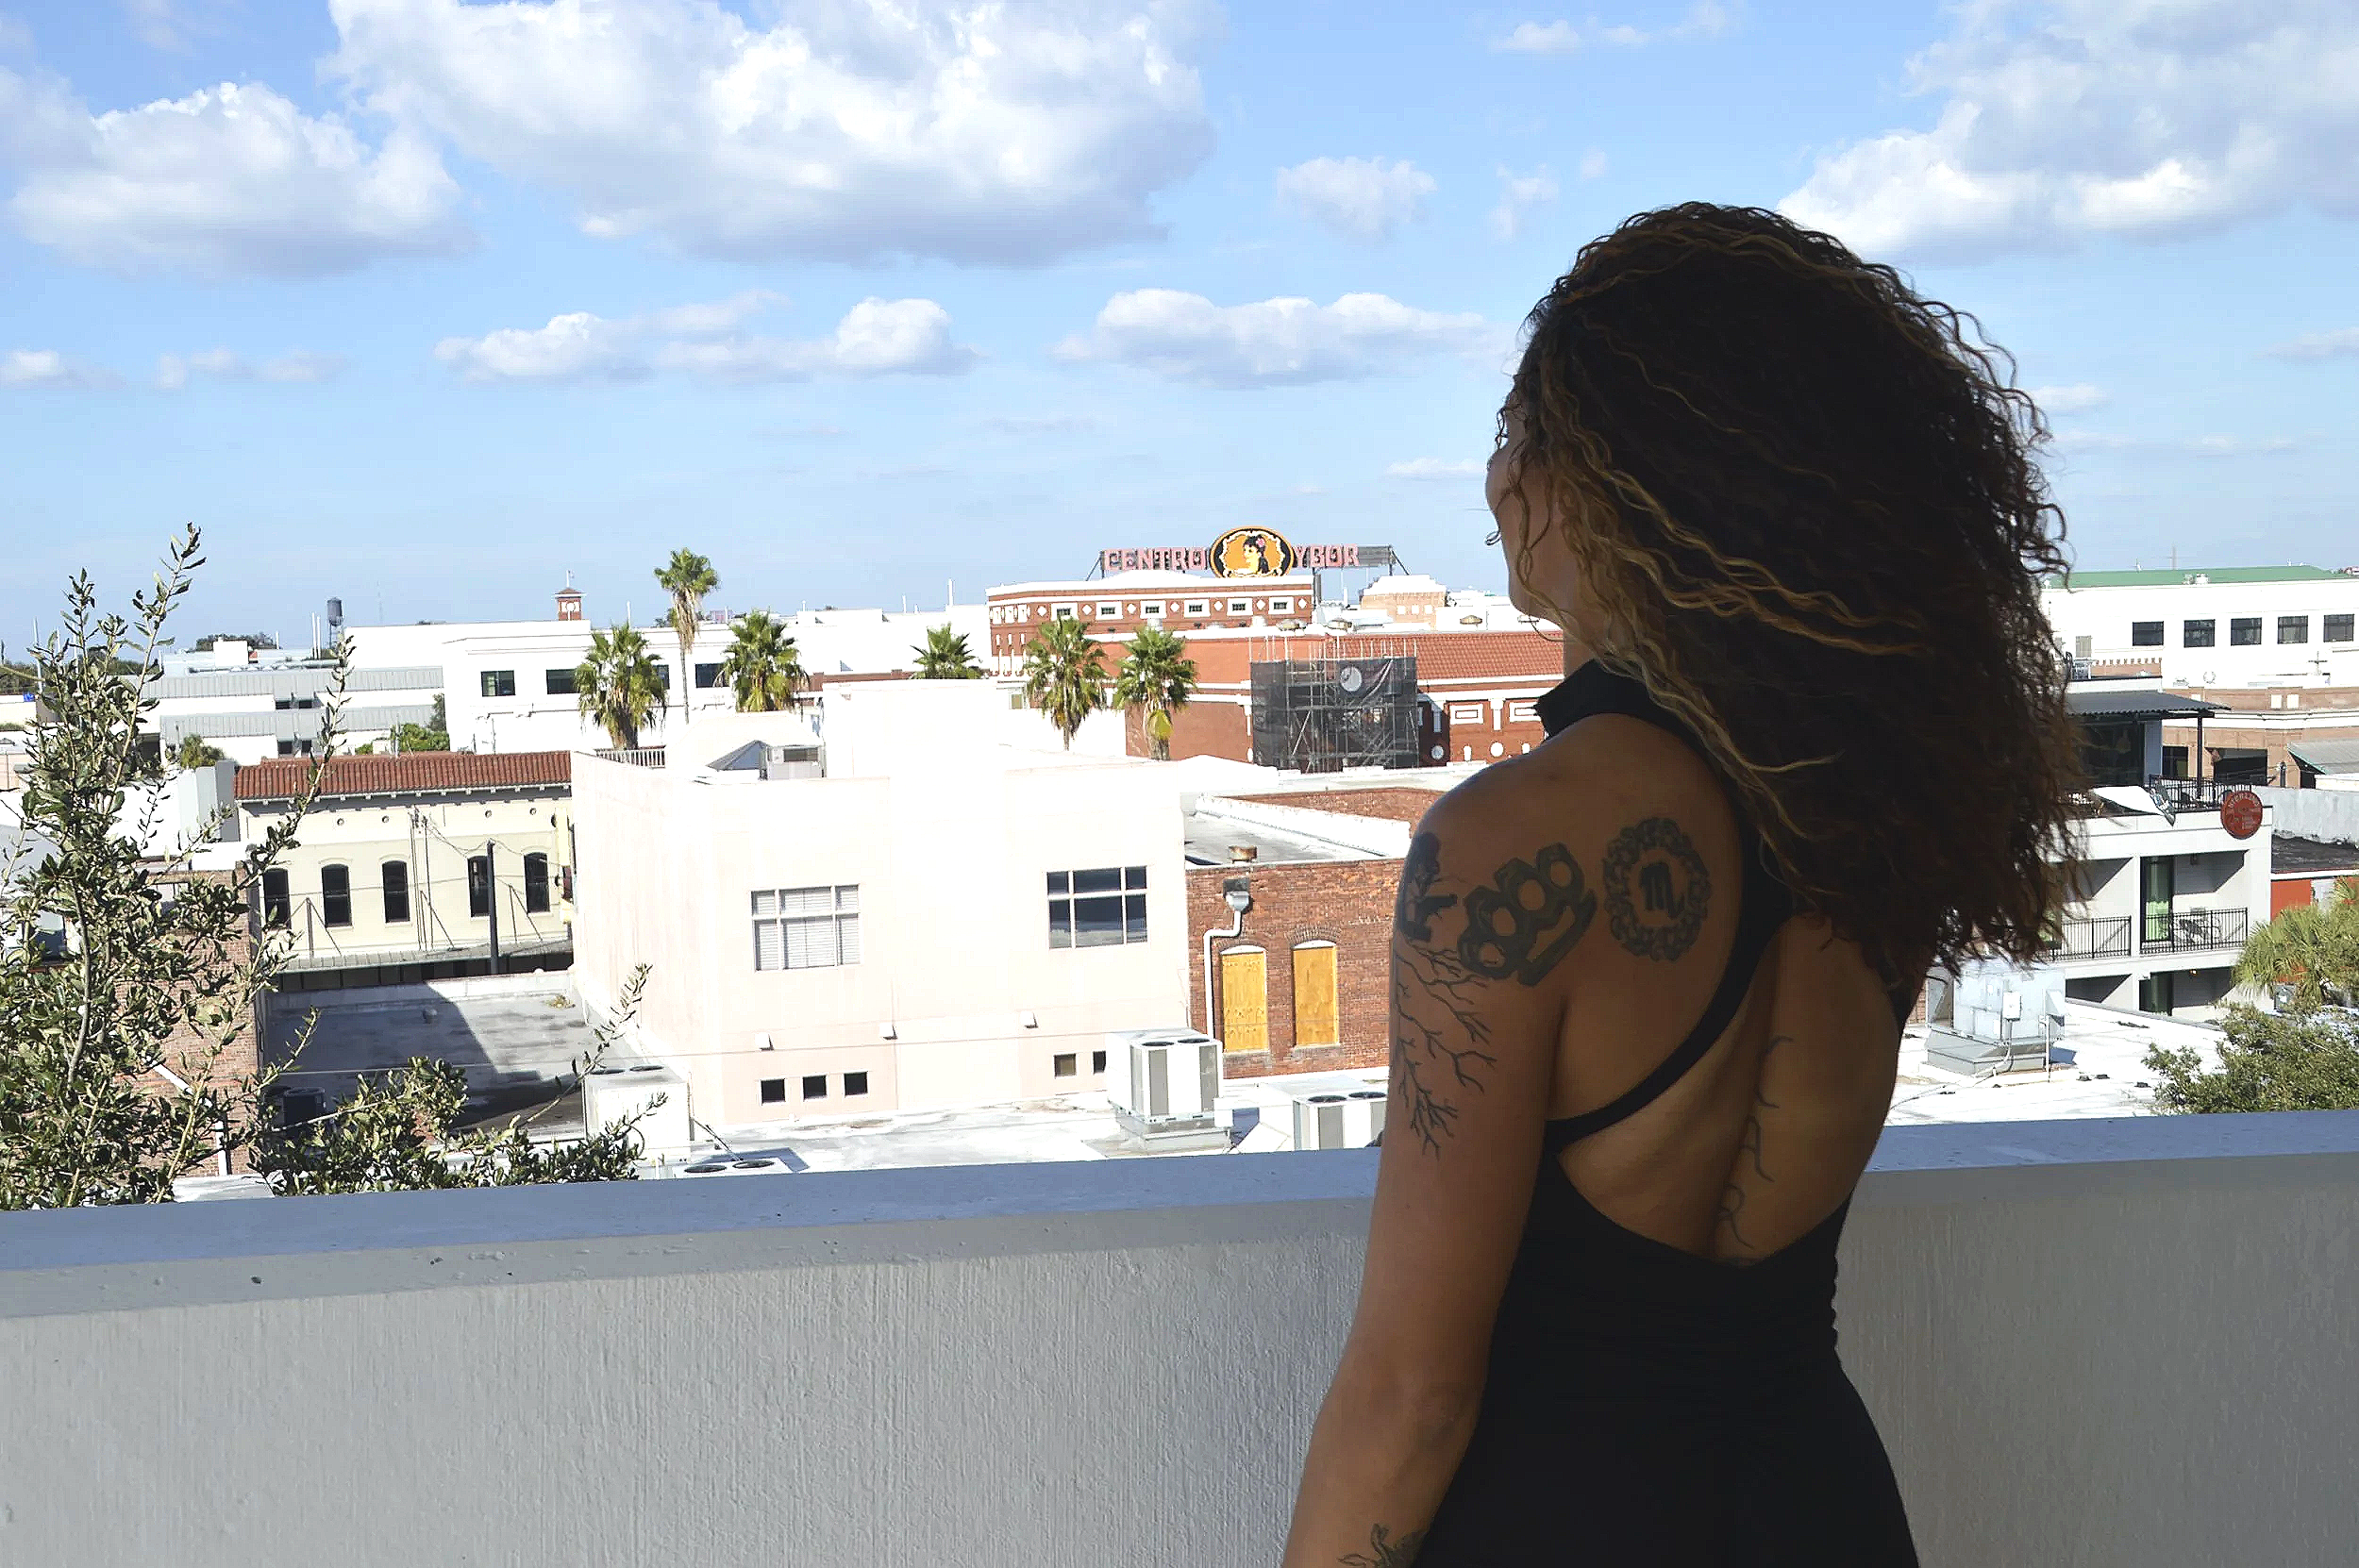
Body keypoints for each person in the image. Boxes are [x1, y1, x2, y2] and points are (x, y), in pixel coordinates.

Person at [1279, 204, 2080, 1566]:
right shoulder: (1875, 815)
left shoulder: (1506, 849)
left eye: (1518, 431)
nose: (1491, 477)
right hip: (1821, 1508)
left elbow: (1412, 1394)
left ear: (1614, 479)